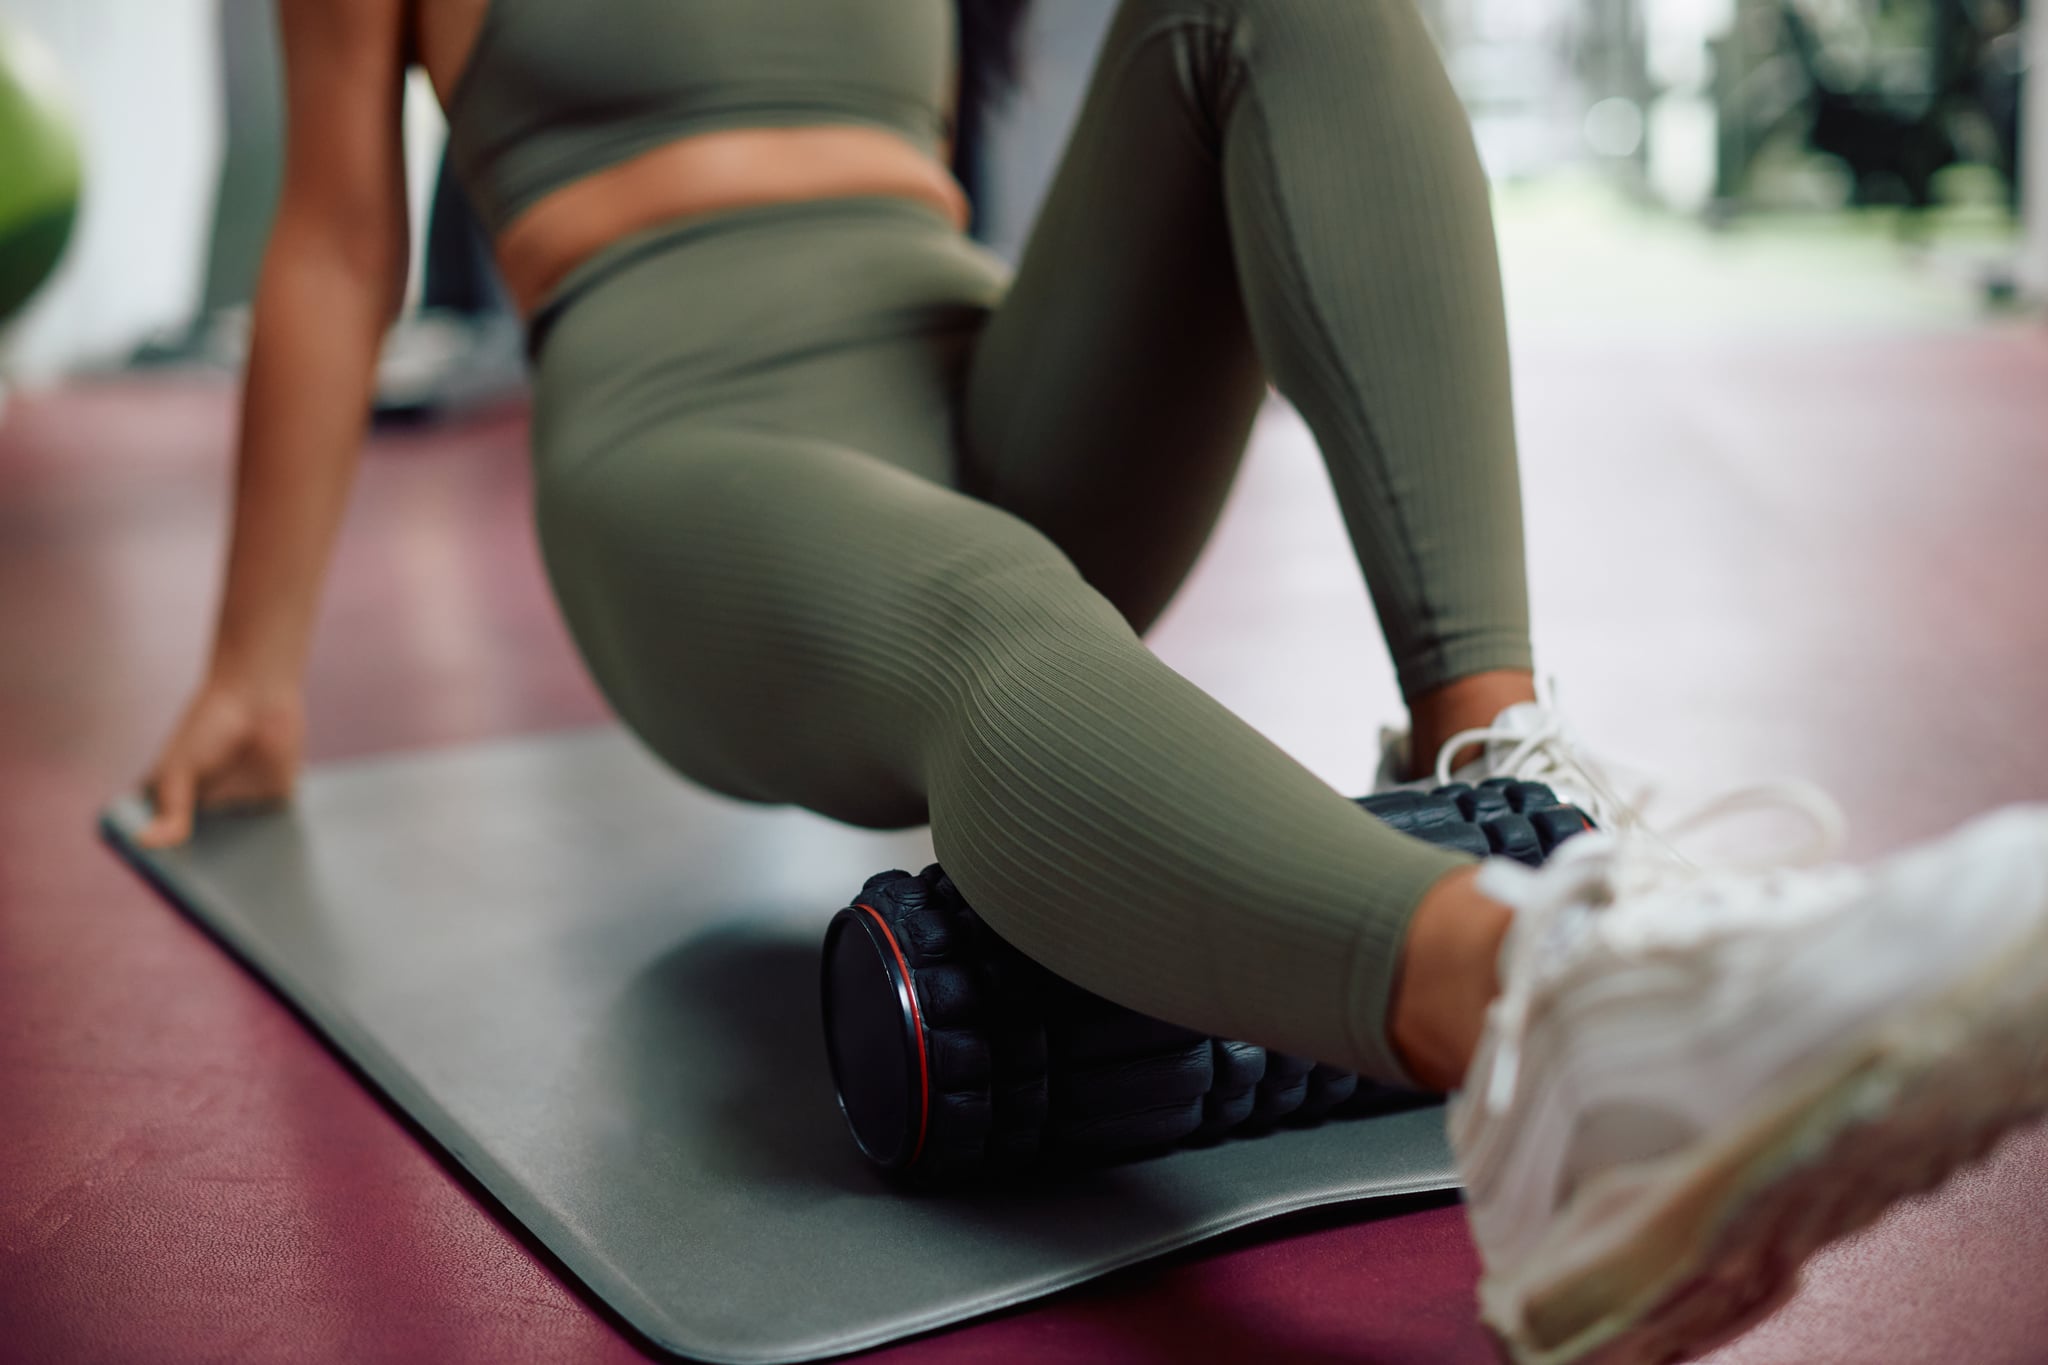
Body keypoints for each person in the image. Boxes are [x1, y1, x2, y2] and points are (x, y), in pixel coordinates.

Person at [133, 1, 2048, 1362]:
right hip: (682, 440)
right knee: (986, 598)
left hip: (981, 377)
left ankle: (1505, 786)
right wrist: (250, 667)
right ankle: (1570, 1037)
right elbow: (330, 240)